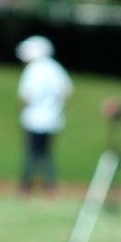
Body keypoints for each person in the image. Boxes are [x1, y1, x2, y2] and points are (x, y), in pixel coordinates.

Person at [16, 35, 73, 194]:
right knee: (46, 154)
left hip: (33, 119)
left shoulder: (33, 69)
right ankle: (50, 186)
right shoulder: (56, 68)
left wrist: (22, 108)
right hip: (53, 119)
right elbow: (67, 91)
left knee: (32, 153)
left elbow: (25, 95)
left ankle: (25, 186)